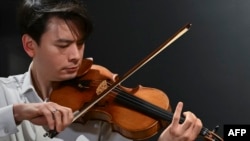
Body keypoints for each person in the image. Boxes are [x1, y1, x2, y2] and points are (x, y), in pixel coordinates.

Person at [0, 0, 202, 141]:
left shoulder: (104, 112)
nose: (75, 56)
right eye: (63, 45)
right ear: (30, 45)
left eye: (80, 44)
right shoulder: (4, 93)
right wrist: (18, 113)